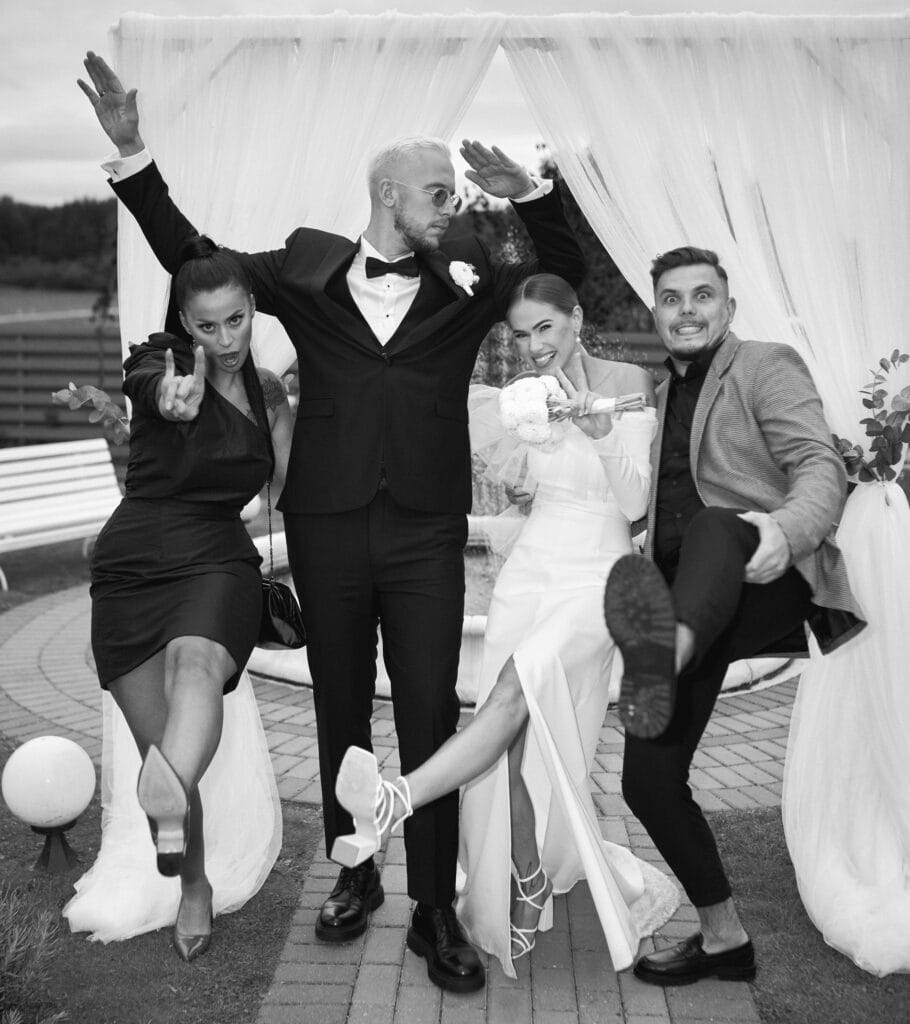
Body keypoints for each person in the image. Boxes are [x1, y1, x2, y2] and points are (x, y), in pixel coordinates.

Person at [78, 52, 585, 992]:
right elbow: (196, 262)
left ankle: (433, 907)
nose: (451, 204)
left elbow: (562, 274)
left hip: (427, 529)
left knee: (430, 708)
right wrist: (134, 155)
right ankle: (354, 872)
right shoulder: (307, 269)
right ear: (388, 193)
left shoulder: (469, 279)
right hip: (326, 525)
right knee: (340, 701)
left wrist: (532, 197)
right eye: (438, 191)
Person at [331, 273, 680, 978]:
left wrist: (599, 431)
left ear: (576, 319)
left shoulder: (631, 383)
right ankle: (526, 874)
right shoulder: (524, 397)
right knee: (515, 743)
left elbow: (636, 503)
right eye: (520, 334)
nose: (533, 345)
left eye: (545, 327)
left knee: (517, 688)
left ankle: (397, 798)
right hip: (530, 575)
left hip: (596, 576)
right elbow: (523, 486)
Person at [601, 246, 865, 986]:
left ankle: (669, 649)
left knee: (717, 525)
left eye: (702, 296)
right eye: (671, 298)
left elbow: (819, 464)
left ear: (728, 307)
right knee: (647, 783)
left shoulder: (764, 365)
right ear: (656, 311)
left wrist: (788, 529)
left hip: (761, 570)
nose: (686, 310)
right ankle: (725, 939)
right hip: (688, 598)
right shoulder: (657, 395)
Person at [65, 237, 293, 961]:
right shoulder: (159, 363)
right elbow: (147, 386)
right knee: (163, 753)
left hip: (217, 561)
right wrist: (166, 395)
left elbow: (290, 489)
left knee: (196, 667)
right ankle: (192, 880)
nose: (224, 340)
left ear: (252, 307)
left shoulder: (271, 394)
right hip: (133, 567)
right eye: (207, 326)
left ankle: (174, 825)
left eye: (236, 320)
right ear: (185, 324)